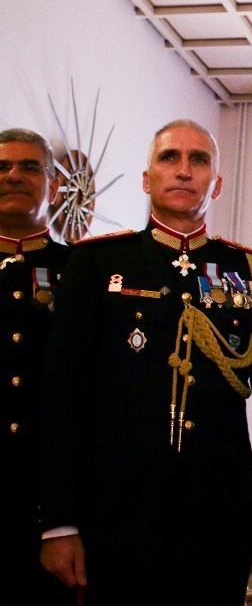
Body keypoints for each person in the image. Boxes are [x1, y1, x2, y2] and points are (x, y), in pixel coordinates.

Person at [37, 119, 252, 605]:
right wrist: (58, 522)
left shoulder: (248, 271)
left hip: (217, 513)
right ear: (147, 178)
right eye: (169, 157)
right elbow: (63, 397)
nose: (183, 170)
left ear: (216, 184)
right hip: (116, 509)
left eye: (199, 160)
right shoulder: (97, 264)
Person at [0, 128, 75, 605]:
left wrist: (64, 520)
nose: (13, 175)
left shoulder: (82, 271)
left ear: (54, 187)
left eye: (30, 167)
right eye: (3, 166)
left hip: (46, 507)